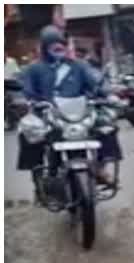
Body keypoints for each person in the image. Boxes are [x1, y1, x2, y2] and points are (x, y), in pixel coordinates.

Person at [18, 25, 121, 186]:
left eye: (60, 43)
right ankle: (40, 178)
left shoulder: (78, 66)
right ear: (45, 47)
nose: (58, 47)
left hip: (80, 114)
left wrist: (108, 95)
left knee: (107, 126)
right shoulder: (34, 69)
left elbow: (95, 84)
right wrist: (27, 102)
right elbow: (26, 91)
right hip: (48, 114)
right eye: (52, 44)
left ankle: (101, 168)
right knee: (30, 133)